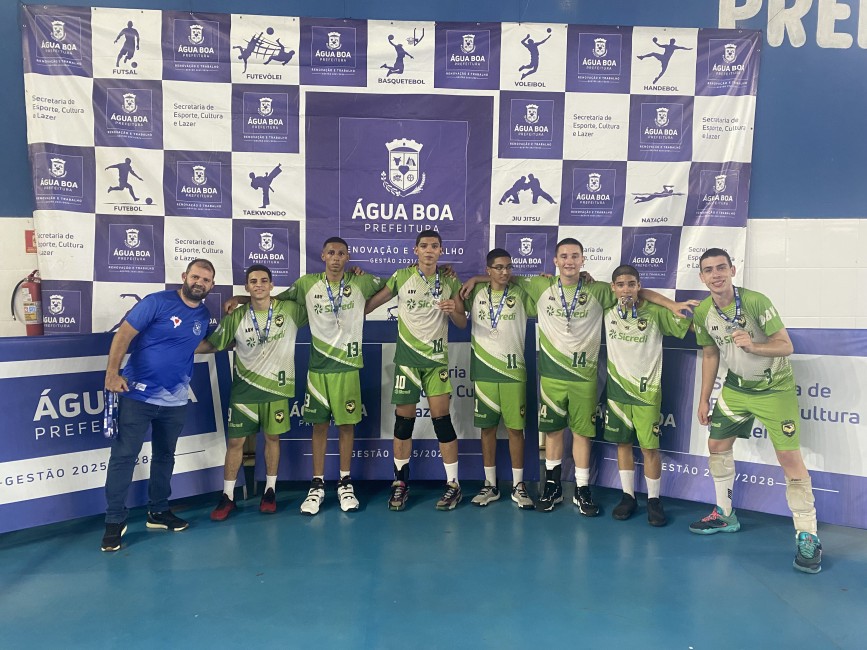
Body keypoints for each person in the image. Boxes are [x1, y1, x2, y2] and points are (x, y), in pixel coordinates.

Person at [460, 239, 690, 514]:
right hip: (551, 377)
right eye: (564, 256)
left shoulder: (598, 290)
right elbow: (503, 276)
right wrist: (476, 278)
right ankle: (553, 487)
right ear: (555, 261)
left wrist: (670, 304)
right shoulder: (540, 285)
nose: (569, 261)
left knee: (582, 434)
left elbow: (636, 291)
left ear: (582, 260)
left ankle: (582, 490)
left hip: (584, 377)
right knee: (553, 432)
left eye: (574, 256)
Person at [689, 248, 822, 574]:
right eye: (709, 270)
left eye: (721, 267)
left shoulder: (755, 302)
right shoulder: (704, 311)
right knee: (716, 445)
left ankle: (808, 535)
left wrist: (753, 345)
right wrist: (704, 399)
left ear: (732, 270)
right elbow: (710, 355)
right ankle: (725, 514)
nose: (716, 275)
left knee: (789, 458)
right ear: (702, 277)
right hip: (736, 389)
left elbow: (786, 345)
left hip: (774, 390)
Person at [101, 259, 215, 552]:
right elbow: (124, 334)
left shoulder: (203, 315)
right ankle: (114, 521)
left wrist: (229, 341)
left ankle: (159, 511)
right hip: (137, 396)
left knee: (165, 456)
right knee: (124, 457)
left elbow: (195, 344)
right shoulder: (157, 302)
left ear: (211, 285)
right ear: (185, 276)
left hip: (175, 401)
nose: (199, 283)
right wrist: (112, 373)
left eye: (205, 280)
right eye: (196, 277)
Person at [365, 229, 467, 511]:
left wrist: (453, 310)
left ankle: (453, 484)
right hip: (407, 361)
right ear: (416, 250)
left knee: (442, 421)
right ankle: (400, 482)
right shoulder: (401, 276)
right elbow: (368, 305)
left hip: (436, 362)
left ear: (441, 251)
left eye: (434, 246)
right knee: (403, 422)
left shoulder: (450, 280)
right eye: (424, 246)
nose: (429, 250)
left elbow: (461, 322)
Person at [281, 238, 383, 515]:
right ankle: (316, 485)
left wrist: (366, 304)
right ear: (323, 255)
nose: (336, 258)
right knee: (319, 427)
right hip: (318, 369)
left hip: (347, 367)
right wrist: (241, 300)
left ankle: (345, 483)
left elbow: (393, 285)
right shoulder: (306, 283)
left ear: (348, 257)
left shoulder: (361, 282)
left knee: (347, 426)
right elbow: (273, 301)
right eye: (331, 253)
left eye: (341, 253)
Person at [201, 264, 307, 521]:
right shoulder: (236, 317)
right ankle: (228, 496)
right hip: (244, 391)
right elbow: (214, 345)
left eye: (263, 280)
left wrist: (240, 297)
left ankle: (270, 491)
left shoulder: (290, 310)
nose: (258, 285)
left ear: (271, 285)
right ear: (247, 286)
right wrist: (174, 346)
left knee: (272, 439)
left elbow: (317, 301)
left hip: (276, 390)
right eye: (253, 281)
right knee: (235, 443)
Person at [602, 265, 691, 526]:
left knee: (649, 448)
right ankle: (628, 496)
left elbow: (689, 328)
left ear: (639, 286)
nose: (626, 289)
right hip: (617, 391)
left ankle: (654, 500)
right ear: (613, 288)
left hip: (646, 393)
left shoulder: (655, 312)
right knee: (623, 445)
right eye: (621, 285)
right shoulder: (608, 309)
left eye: (632, 284)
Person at [463, 249, 535, 509]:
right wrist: (476, 279)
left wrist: (479, 277)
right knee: (487, 430)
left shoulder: (521, 293)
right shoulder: (475, 294)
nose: (505, 272)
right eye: (499, 268)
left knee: (516, 430)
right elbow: (458, 310)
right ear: (489, 269)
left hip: (513, 373)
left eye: (508, 267)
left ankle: (518, 485)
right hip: (484, 371)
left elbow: (540, 286)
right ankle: (490, 485)